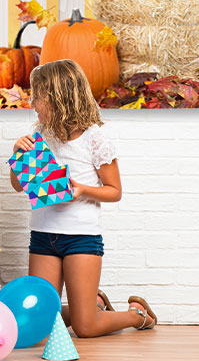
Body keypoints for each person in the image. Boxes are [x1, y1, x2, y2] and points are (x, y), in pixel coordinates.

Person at [11, 59, 157, 337]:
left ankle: (137, 316)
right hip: (43, 236)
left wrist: (81, 189)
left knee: (84, 328)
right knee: (40, 320)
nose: (32, 103)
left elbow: (114, 191)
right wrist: (18, 153)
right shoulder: (40, 135)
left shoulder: (94, 139)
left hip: (81, 238)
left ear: (57, 99)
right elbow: (19, 186)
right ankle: (94, 305)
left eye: (37, 97)